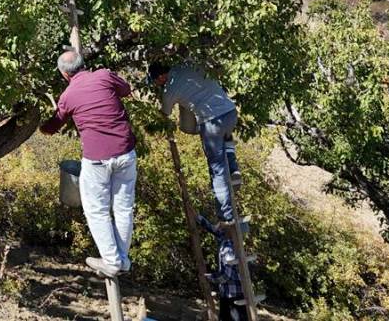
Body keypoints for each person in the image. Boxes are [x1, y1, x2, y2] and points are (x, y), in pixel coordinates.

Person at [41, 50, 137, 278]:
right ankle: (122, 260)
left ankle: (112, 262)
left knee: (97, 210)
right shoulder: (104, 76)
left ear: (64, 74)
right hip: (126, 152)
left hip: (97, 159)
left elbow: (53, 126)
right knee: (123, 208)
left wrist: (41, 127)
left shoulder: (68, 95)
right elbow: (126, 90)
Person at [148, 62, 240, 224]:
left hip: (212, 122)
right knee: (225, 136)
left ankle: (226, 217)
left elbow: (165, 113)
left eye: (156, 82)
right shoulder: (187, 65)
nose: (157, 85)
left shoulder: (170, 89)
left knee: (217, 170)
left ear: (161, 77)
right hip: (230, 113)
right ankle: (233, 167)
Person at [198, 214, 249, 321]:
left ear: (230, 230)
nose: (220, 226)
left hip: (232, 297)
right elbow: (212, 229)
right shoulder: (229, 240)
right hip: (234, 294)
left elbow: (226, 275)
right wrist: (197, 216)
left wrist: (209, 277)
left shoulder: (228, 247)